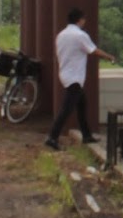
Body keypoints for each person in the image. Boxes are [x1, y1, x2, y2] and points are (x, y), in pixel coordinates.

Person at [44, 8, 114, 151]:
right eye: (83, 19)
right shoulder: (80, 35)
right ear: (79, 20)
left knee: (82, 104)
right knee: (66, 109)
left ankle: (86, 135)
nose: (84, 21)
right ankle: (52, 137)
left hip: (66, 74)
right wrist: (109, 57)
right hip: (75, 77)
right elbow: (93, 50)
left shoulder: (61, 35)